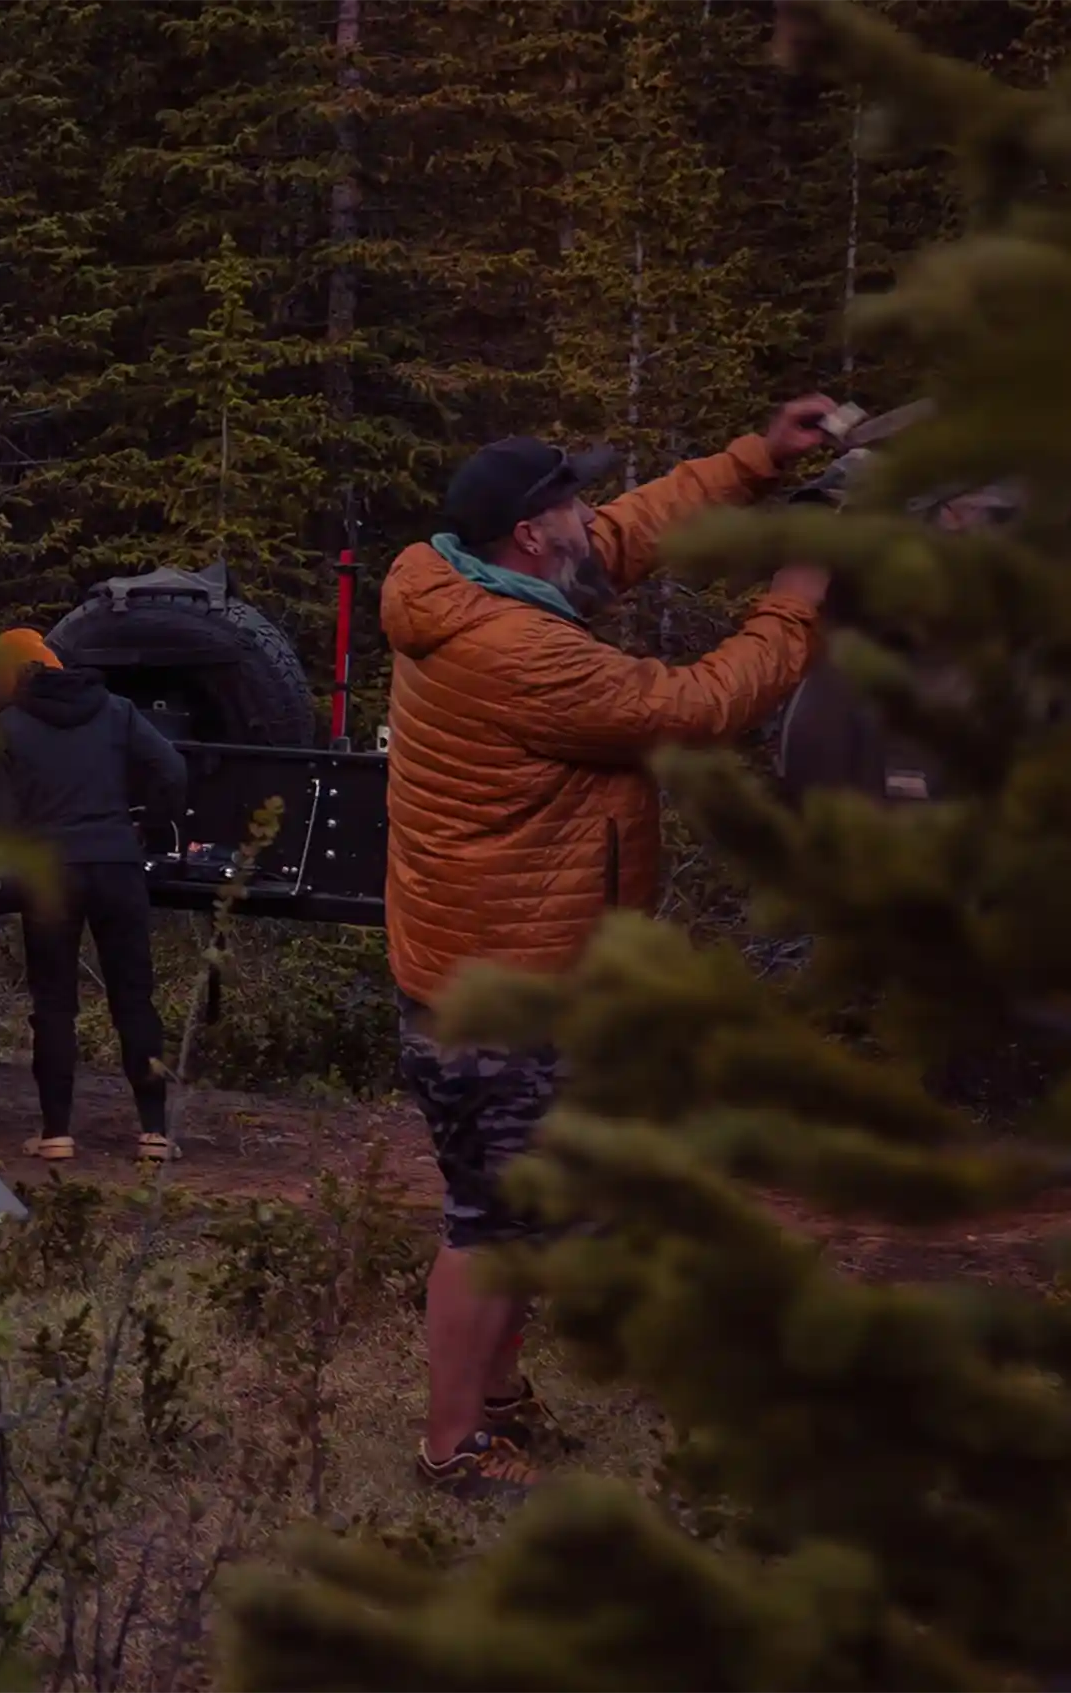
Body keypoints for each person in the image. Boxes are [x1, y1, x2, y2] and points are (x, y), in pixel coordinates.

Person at [384, 397, 840, 1499]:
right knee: (491, 1220)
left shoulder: (473, 578)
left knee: (523, 1201)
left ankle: (494, 1402)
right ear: (532, 534)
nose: (594, 513)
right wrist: (797, 597)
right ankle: (452, 1445)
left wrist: (755, 459)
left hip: (505, 960)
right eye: (573, 500)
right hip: (501, 986)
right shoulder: (519, 650)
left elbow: (629, 533)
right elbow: (695, 705)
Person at [0, 628, 188, 1163]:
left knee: (53, 1005)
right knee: (134, 998)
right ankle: (154, 1133)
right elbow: (170, 767)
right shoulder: (116, 711)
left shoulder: (7, 727)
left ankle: (55, 1135)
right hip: (117, 865)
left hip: (51, 873)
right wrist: (146, 823)